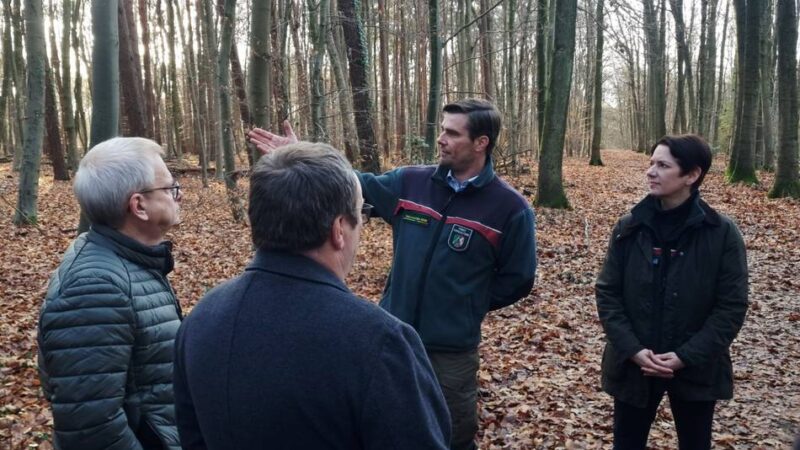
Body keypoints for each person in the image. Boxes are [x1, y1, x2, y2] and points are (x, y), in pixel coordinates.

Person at [248, 98, 537, 450]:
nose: (441, 139)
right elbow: (354, 184)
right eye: (442, 130)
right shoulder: (411, 183)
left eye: (452, 133)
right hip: (392, 337)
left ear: (481, 143)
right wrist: (302, 157)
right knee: (388, 429)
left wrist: (467, 302)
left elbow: (519, 278)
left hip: (451, 352)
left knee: (453, 434)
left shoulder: (510, 208)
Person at [172, 142, 451, 449]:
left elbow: (192, 438)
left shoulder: (201, 319)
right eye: (363, 213)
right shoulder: (379, 342)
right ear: (339, 229)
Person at [595, 134, 748, 449]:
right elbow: (608, 294)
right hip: (634, 366)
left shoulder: (721, 233)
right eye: (651, 163)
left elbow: (731, 307)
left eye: (663, 165)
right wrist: (634, 350)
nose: (650, 171)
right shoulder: (629, 227)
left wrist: (685, 356)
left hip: (696, 368)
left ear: (692, 175)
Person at [37, 137, 183, 449]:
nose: (177, 195)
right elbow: (90, 428)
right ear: (139, 205)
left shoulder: (129, 259)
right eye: (170, 188)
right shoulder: (94, 287)